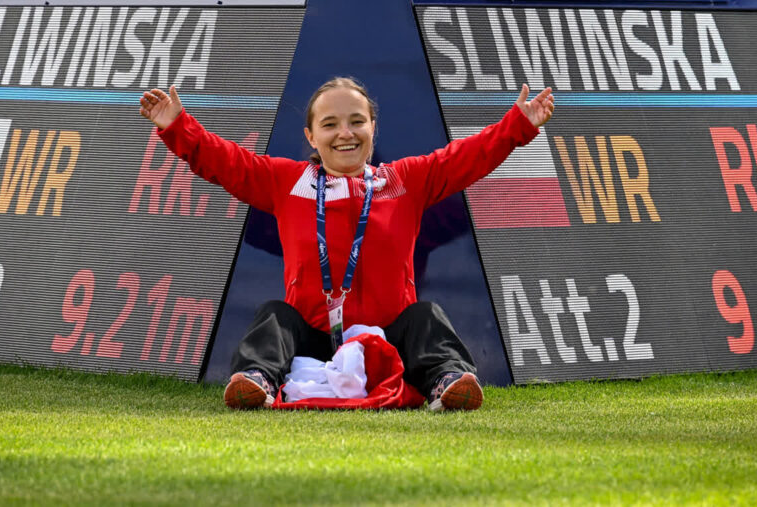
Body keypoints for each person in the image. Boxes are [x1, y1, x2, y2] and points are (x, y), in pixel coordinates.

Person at [139, 77, 554, 411]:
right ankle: (257, 380)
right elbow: (225, 162)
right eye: (330, 124)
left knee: (426, 316)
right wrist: (178, 126)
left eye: (357, 121)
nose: (345, 134)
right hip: (313, 341)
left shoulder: (404, 180)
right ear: (311, 136)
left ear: (373, 127)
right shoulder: (287, 182)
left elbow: (467, 157)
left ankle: (448, 381)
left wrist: (518, 125)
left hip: (387, 340)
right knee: (275, 316)